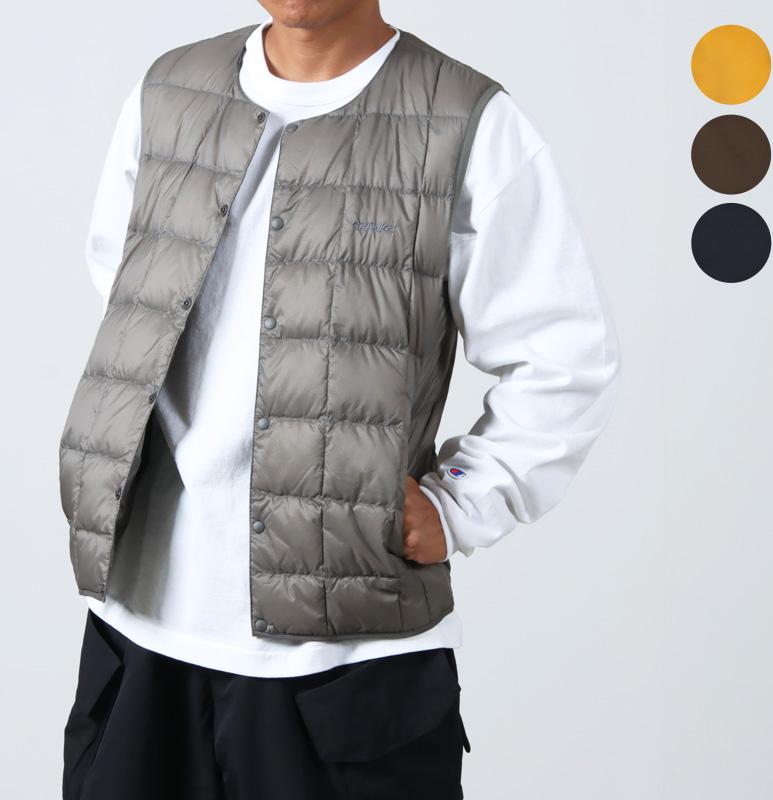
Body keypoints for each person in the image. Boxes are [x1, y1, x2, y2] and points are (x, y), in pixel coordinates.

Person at [59, 1, 621, 798]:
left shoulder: (468, 122)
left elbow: (566, 356)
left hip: (347, 671)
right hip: (136, 636)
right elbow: (126, 294)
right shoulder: (168, 92)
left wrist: (462, 501)